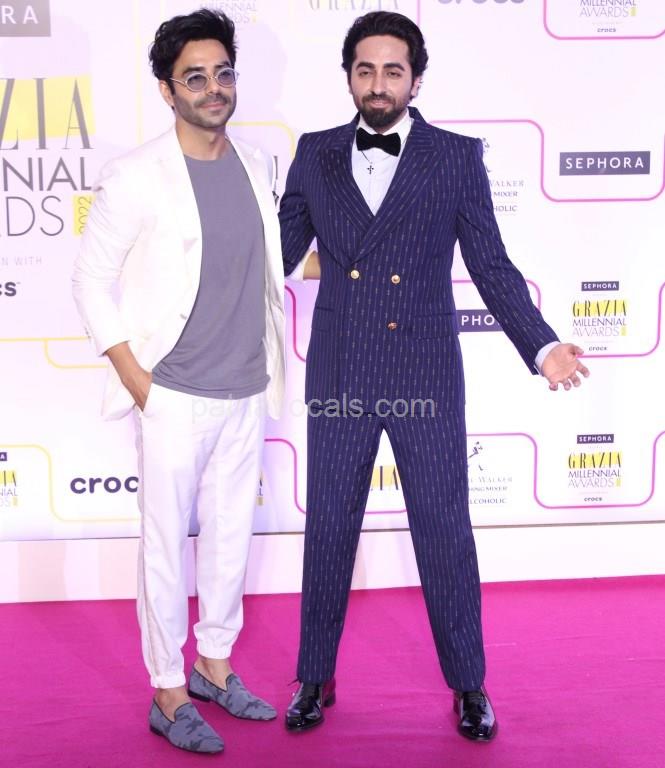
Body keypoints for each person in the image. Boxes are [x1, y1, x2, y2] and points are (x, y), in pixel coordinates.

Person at [279, 11, 589, 742]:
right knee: (329, 527)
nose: (378, 83)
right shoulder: (315, 152)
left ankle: (469, 684)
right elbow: (274, 255)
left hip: (424, 370)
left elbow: (489, 264)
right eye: (365, 69)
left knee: (445, 530)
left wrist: (542, 345)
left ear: (415, 80)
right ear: (348, 76)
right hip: (341, 370)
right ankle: (314, 676)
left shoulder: (454, 157)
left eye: (393, 70)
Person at [72, 8, 285, 755]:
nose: (213, 88)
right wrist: (139, 381)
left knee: (230, 539)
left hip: (247, 389)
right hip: (172, 394)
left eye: (223, 73)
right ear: (167, 90)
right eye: (195, 77)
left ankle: (213, 666)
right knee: (166, 548)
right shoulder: (135, 176)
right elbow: (89, 282)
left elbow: (271, 263)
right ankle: (167, 690)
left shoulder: (258, 165)